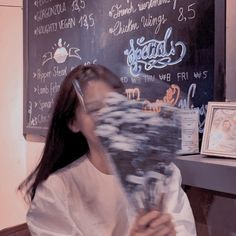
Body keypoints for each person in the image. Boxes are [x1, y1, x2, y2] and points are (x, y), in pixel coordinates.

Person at [19, 64, 196, 236]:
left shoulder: (162, 173)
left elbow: (184, 229)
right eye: (95, 109)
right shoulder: (55, 191)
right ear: (73, 123)